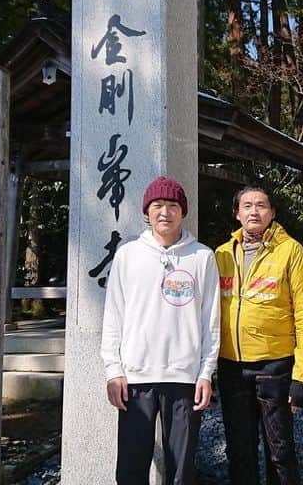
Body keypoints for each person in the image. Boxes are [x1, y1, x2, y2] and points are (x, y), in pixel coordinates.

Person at [100, 176, 221, 485]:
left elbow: (211, 319)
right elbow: (113, 316)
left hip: (185, 377)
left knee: (181, 470)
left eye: (172, 206)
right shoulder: (127, 255)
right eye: (157, 206)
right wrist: (113, 371)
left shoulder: (202, 256)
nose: (165, 212)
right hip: (135, 378)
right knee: (130, 468)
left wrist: (206, 372)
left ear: (183, 212)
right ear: (147, 212)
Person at [214, 186, 303, 485]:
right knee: (238, 449)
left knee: (280, 450)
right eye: (247, 206)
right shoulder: (221, 254)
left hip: (274, 367)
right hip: (231, 366)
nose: (254, 211)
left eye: (261, 205)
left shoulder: (291, 251)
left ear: (272, 213)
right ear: (237, 214)